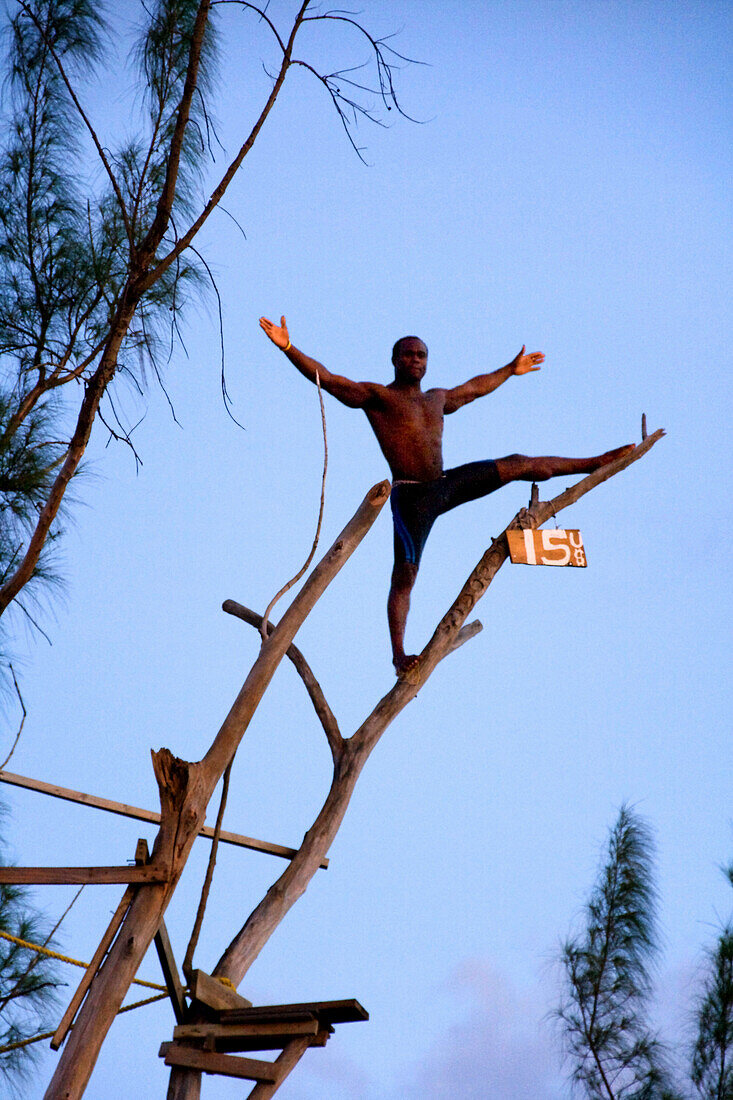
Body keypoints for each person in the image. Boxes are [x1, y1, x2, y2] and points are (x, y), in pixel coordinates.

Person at [259, 315, 633, 676]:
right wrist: (289, 347)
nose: (415, 360)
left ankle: (594, 462)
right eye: (407, 354)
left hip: (445, 484)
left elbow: (473, 389)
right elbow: (331, 380)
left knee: (519, 463)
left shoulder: (437, 399)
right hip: (412, 498)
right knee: (404, 578)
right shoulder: (377, 397)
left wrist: (510, 369)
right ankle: (398, 655)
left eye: (421, 355)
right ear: (394, 361)